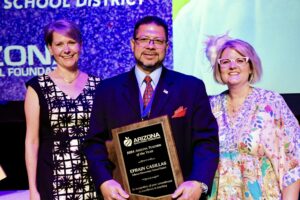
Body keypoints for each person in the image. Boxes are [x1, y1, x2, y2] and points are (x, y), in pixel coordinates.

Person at [82, 16, 219, 200]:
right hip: (124, 195)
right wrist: (104, 181)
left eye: (158, 41)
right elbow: (94, 143)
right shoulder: (107, 90)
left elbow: (206, 141)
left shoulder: (191, 87)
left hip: (178, 195)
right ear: (133, 44)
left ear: (167, 47)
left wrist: (198, 182)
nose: (151, 46)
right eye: (144, 39)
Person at [205, 36, 300, 199]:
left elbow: (293, 163)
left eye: (240, 60)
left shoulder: (271, 103)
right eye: (225, 61)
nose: (232, 66)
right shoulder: (211, 106)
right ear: (219, 68)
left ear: (251, 66)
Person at [24, 19, 101, 200]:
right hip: (53, 179)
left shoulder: (97, 85)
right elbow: (32, 142)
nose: (66, 50)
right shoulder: (38, 87)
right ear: (50, 49)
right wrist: (33, 190)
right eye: (59, 44)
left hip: (91, 177)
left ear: (80, 45)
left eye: (71, 43)